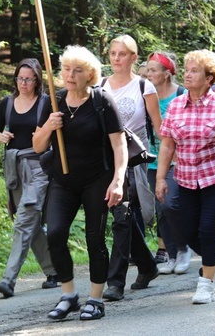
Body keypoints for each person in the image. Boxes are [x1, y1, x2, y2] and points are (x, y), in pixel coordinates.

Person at [33, 45, 127, 321]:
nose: (70, 75)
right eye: (66, 69)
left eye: (77, 70)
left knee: (94, 238)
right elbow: (38, 146)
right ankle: (69, 294)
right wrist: (49, 127)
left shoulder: (102, 101)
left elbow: (119, 145)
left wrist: (118, 181)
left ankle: (95, 298)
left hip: (97, 179)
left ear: (90, 74)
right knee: (55, 234)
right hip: (63, 180)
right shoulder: (52, 101)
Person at [155, 49, 215, 304]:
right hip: (186, 178)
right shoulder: (175, 106)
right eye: (186, 70)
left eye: (194, 71)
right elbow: (167, 146)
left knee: (208, 229)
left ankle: (206, 284)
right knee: (186, 231)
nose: (187, 75)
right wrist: (161, 178)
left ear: (209, 78)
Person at [0, 59, 58, 298]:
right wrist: (0, 136)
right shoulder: (7, 103)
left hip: (38, 168)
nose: (24, 83)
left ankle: (8, 279)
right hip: (14, 169)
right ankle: (54, 270)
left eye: (28, 79)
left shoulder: (46, 103)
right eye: (20, 78)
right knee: (31, 223)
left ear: (37, 80)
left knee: (24, 221)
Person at [101, 35, 162, 301]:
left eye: (122, 54)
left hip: (134, 162)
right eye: (113, 53)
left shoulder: (144, 86)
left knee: (122, 217)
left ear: (134, 57)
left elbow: (159, 129)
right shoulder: (100, 85)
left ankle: (115, 282)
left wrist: (172, 160)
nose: (116, 58)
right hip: (107, 161)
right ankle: (147, 266)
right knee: (122, 217)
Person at [145, 51, 190, 275]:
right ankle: (172, 255)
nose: (147, 73)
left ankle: (183, 248)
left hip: (179, 161)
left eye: (153, 70)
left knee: (171, 204)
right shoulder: (145, 95)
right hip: (152, 160)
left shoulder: (181, 95)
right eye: (147, 69)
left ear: (166, 73)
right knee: (160, 209)